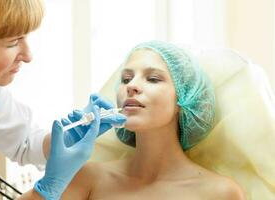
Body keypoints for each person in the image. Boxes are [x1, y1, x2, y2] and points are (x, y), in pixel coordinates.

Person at [0, 0, 126, 199]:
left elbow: (24, 142)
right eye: (13, 42)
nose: (28, 56)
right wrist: (47, 189)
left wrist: (65, 138)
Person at [61, 41, 246, 199]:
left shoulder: (221, 193)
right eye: (126, 79)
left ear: (186, 98)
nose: (131, 86)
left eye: (153, 79)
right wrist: (50, 182)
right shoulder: (88, 179)